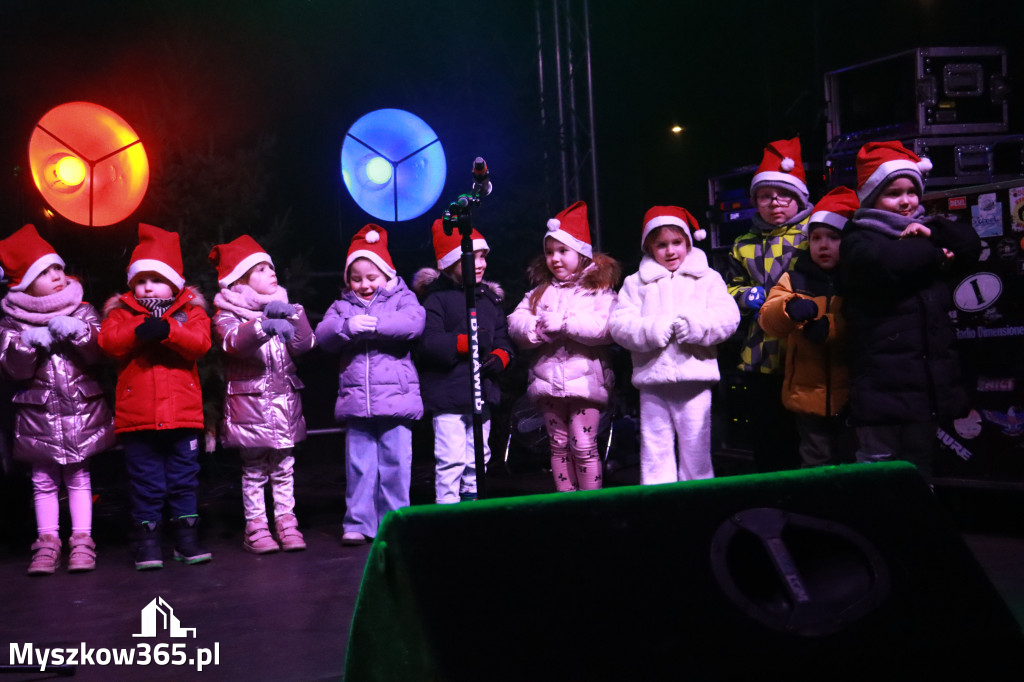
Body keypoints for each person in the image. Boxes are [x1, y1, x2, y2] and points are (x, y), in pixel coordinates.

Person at [841, 141, 981, 476]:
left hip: (922, 386)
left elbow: (971, 244)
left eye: (912, 192)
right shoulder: (858, 238)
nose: (906, 202)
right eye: (893, 193)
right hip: (880, 385)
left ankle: (917, 528)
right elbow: (888, 262)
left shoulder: (926, 229)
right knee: (878, 471)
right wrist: (934, 252)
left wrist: (932, 231)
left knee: (920, 469)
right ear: (873, 196)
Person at [0, 225, 114, 575]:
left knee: (79, 476)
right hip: (39, 414)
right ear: (24, 283)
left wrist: (80, 334)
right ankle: (47, 543)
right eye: (45, 272)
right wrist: (27, 343)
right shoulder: (12, 321)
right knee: (43, 481)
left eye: (58, 269)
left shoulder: (81, 310)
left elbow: (100, 352)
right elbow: (13, 369)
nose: (56, 276)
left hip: (80, 409)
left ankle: (82, 541)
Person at [99, 223, 212, 570]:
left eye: (156, 278)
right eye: (141, 279)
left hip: (183, 417)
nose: (148, 286)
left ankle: (186, 540)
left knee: (182, 481)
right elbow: (109, 343)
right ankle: (147, 542)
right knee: (146, 483)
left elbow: (200, 344)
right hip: (140, 419)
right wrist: (139, 329)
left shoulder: (191, 312)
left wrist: (168, 330)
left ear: (174, 282)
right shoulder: (121, 313)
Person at [609, 206, 740, 483]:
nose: (670, 251)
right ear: (649, 247)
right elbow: (619, 325)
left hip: (695, 378)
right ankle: (659, 507)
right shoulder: (635, 283)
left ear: (688, 242)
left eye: (676, 243)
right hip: (653, 380)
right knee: (654, 450)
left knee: (696, 450)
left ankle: (698, 504)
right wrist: (652, 330)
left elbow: (728, 317)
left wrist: (696, 327)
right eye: (661, 245)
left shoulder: (708, 279)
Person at [315, 224, 424, 545]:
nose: (364, 285)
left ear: (387, 274)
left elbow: (413, 324)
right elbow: (324, 334)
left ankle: (394, 521)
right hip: (357, 401)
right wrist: (348, 326)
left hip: (396, 399)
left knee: (395, 465)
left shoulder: (403, 298)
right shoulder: (342, 306)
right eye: (356, 278)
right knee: (359, 467)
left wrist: (374, 324)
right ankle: (359, 523)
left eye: (371, 277)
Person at [209, 235, 315, 554]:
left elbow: (304, 345)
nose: (271, 272)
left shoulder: (282, 307)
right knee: (254, 469)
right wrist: (263, 326)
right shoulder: (227, 312)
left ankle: (286, 520)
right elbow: (232, 343)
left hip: (283, 403)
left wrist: (295, 316)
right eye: (261, 268)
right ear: (241, 280)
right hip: (250, 406)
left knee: (284, 466)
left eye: (271, 266)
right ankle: (256, 525)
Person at [508, 201, 619, 492]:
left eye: (563, 251)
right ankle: (565, 503)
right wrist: (537, 329)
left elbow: (607, 328)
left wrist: (566, 322)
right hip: (548, 383)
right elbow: (516, 322)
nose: (555, 259)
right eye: (549, 252)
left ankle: (591, 504)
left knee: (583, 445)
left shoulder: (599, 291)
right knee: (557, 445)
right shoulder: (539, 293)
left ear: (581, 253)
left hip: (585, 383)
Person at [726, 137, 815, 472]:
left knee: (806, 437)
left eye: (785, 195)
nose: (775, 202)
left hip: (805, 350)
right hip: (760, 354)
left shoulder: (814, 231)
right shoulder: (743, 243)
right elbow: (729, 289)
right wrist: (743, 296)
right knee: (766, 436)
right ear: (756, 201)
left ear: (799, 197)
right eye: (766, 196)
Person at [413, 219, 514, 504]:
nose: (479, 263)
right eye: (471, 258)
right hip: (447, 395)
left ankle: (472, 506)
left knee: (478, 457)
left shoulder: (489, 300)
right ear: (449, 263)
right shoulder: (437, 300)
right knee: (451, 459)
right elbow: (428, 342)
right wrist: (464, 343)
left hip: (481, 394)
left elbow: (503, 339)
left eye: (483, 257)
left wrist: (500, 357)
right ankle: (448, 511)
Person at [759, 187, 860, 467]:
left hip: (852, 396)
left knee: (852, 461)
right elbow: (767, 317)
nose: (823, 245)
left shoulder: (856, 280)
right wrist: (787, 308)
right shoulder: (796, 278)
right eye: (816, 238)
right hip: (806, 395)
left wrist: (830, 328)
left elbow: (864, 322)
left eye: (833, 238)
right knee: (815, 461)